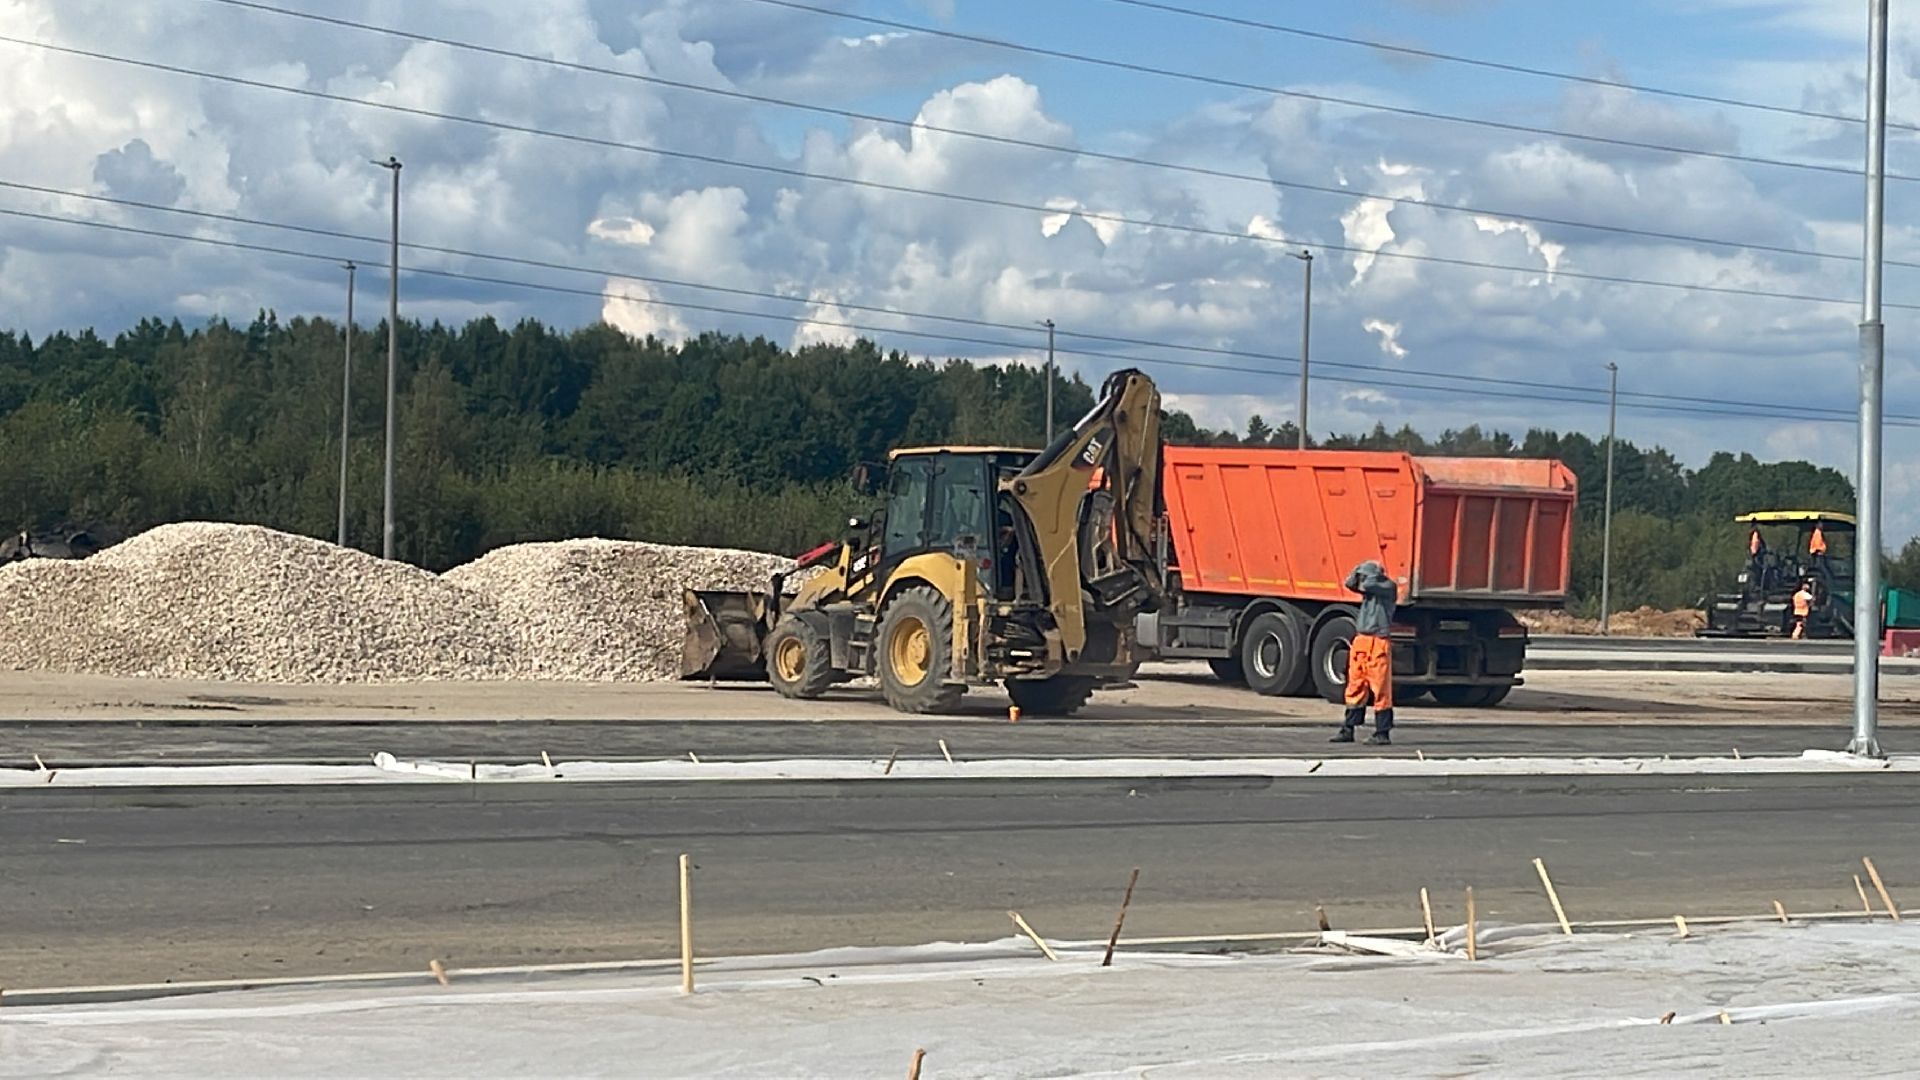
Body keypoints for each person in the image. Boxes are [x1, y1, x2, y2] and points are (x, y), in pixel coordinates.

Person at [1333, 559, 1397, 745]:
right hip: (1361, 640)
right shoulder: (1370, 589)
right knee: (1355, 686)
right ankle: (1348, 729)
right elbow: (1349, 583)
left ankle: (1382, 733)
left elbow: (1369, 584)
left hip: (1378, 642)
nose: (1362, 581)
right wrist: (1357, 570)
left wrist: (1368, 573)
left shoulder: (1388, 587)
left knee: (1380, 689)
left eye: (1365, 576)